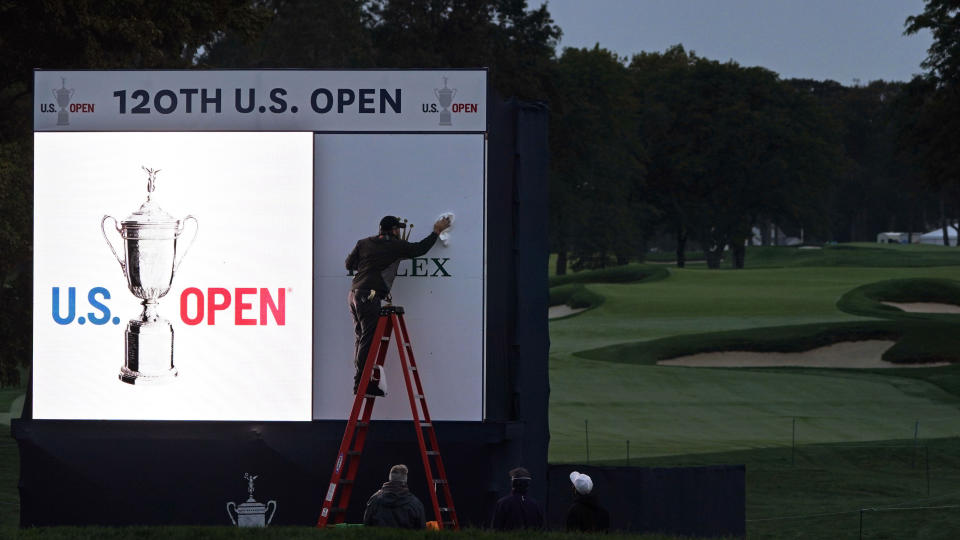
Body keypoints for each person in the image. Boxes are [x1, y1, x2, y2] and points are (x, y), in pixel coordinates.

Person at [346, 214, 451, 395]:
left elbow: (349, 264)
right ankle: (362, 384)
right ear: (394, 230)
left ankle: (360, 381)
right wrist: (436, 231)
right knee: (368, 340)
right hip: (370, 296)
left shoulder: (363, 243)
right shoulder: (395, 245)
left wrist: (369, 267)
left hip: (354, 294)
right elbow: (420, 249)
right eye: (398, 229)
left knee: (361, 338)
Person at [363, 464, 426, 529]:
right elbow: (421, 530)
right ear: (405, 479)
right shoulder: (416, 504)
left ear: (390, 478)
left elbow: (367, 525)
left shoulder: (374, 500)